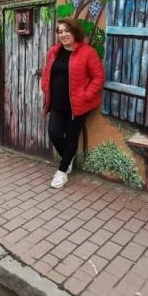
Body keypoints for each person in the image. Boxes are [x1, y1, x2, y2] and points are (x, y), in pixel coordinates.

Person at [40, 18, 105, 189]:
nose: (63, 35)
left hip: (78, 105)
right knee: (54, 133)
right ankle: (68, 158)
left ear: (74, 32)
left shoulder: (87, 52)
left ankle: (62, 172)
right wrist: (45, 86)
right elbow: (47, 71)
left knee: (71, 137)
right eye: (60, 32)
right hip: (57, 103)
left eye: (66, 31)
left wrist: (87, 95)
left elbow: (98, 77)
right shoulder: (54, 52)